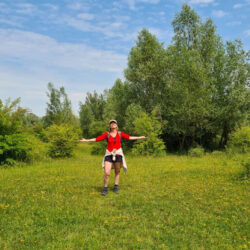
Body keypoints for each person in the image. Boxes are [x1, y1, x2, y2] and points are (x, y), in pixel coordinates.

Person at [79, 120, 148, 196]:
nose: (113, 124)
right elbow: (96, 139)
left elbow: (130, 137)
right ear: (110, 126)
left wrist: (140, 137)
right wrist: (86, 140)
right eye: (111, 123)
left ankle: (116, 187)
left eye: (114, 123)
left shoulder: (120, 134)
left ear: (116, 125)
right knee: (107, 173)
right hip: (109, 154)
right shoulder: (107, 134)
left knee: (117, 171)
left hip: (118, 154)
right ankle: (105, 188)